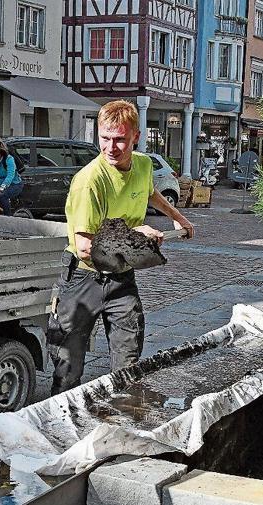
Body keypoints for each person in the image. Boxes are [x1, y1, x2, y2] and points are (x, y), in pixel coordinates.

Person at [46, 100, 195, 395]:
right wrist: (137, 236)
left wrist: (178, 217)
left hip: (121, 277)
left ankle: (119, 420)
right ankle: (61, 423)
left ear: (135, 137)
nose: (111, 147)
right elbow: (86, 247)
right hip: (83, 279)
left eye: (120, 140)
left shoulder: (141, 165)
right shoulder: (89, 182)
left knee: (128, 362)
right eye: (104, 138)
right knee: (67, 367)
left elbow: (149, 192)